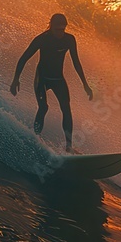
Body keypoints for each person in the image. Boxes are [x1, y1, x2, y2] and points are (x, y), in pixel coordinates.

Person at [11, 13, 93, 152]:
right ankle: (35, 141)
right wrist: (15, 80)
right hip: (42, 79)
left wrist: (85, 84)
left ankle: (68, 146)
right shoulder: (42, 39)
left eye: (63, 29)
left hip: (58, 79)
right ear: (51, 27)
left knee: (66, 109)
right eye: (57, 29)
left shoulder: (69, 40)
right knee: (43, 107)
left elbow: (76, 63)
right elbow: (23, 58)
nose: (60, 33)